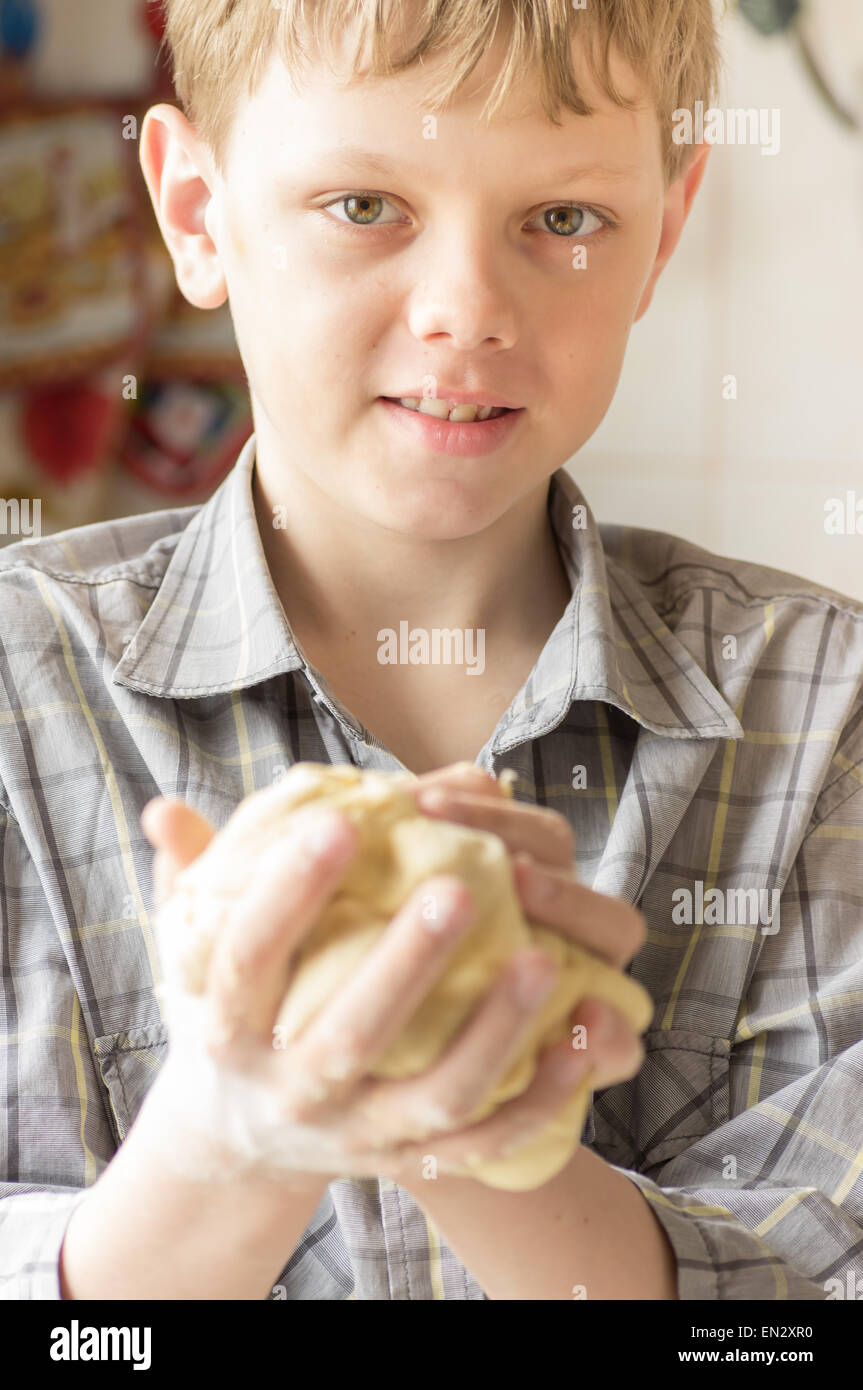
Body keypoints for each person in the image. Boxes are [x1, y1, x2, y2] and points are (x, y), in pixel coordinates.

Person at [1, 0, 861, 1302]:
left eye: (564, 220)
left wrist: (484, 1127)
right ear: (194, 210)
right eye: (362, 205)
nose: (468, 311)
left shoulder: (826, 706)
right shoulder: (18, 682)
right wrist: (228, 1136)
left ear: (662, 233)